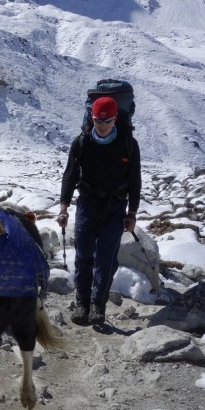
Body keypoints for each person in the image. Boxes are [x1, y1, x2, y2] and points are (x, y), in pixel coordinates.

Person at [57, 96, 141, 326]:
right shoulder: (81, 143)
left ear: (115, 118)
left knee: (105, 259)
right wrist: (63, 208)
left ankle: (98, 306)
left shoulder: (128, 145)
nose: (102, 125)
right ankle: (82, 303)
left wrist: (131, 214)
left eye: (107, 120)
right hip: (87, 204)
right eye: (98, 120)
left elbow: (135, 182)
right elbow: (70, 175)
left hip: (115, 208)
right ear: (92, 118)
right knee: (83, 256)